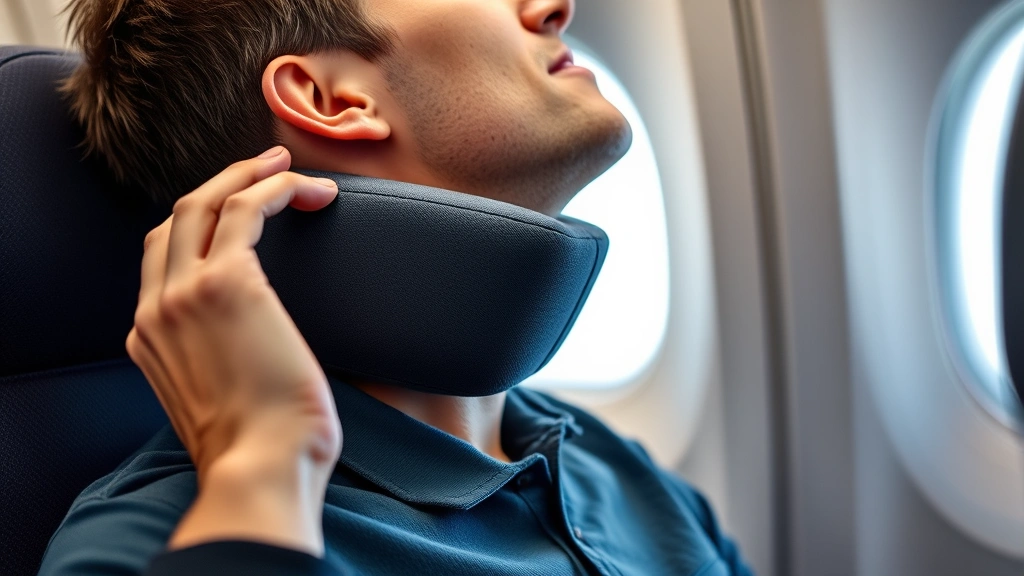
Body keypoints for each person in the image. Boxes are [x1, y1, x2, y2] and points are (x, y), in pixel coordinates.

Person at [37, 0, 753, 574]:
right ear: (330, 97)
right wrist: (262, 472)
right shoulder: (157, 532)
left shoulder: (619, 474)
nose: (554, 7)